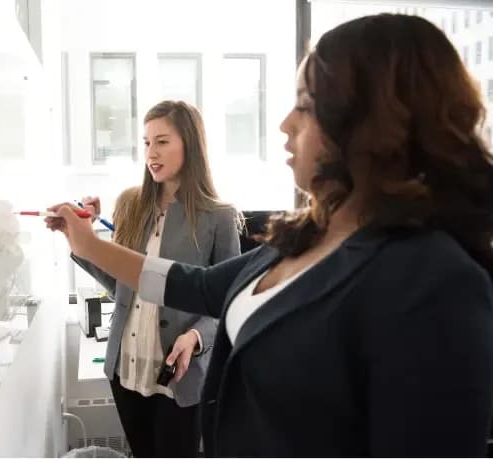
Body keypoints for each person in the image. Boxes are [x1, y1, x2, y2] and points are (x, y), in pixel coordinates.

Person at [48, 15, 493, 457]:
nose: (285, 123)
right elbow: (195, 285)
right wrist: (86, 244)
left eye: (305, 103)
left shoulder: (435, 282)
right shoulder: (303, 237)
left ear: (371, 123)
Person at [70, 100, 241, 458]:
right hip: (127, 364)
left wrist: (196, 337)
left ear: (189, 144)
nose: (151, 152)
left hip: (180, 373)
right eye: (147, 142)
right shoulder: (131, 204)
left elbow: (229, 301)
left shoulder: (219, 217)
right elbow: (120, 284)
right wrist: (82, 241)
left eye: (162, 141)